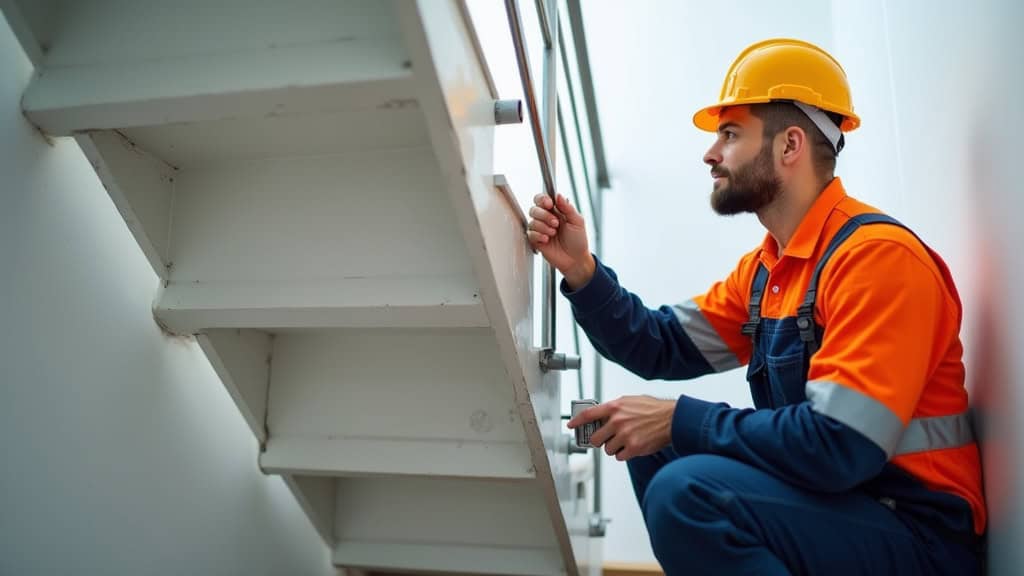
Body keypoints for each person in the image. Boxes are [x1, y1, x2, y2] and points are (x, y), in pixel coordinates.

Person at [527, 38, 984, 575]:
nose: (710, 153)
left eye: (730, 133)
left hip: (917, 534)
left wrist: (680, 419)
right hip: (850, 505)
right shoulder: (770, 270)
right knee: (654, 450)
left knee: (686, 488)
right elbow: (660, 344)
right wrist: (581, 269)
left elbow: (840, 446)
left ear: (790, 146)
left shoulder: (877, 259)